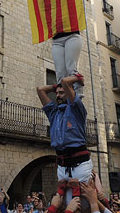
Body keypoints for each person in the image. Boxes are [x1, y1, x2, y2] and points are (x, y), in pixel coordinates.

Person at [37, 74, 91, 204]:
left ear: (70, 92)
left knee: (83, 201)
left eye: (62, 93)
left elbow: (65, 82)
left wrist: (78, 79)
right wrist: (56, 86)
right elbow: (40, 90)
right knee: (65, 203)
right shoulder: (53, 113)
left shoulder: (77, 109)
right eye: (57, 93)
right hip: (62, 166)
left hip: (79, 164)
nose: (58, 95)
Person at [51, 30, 84, 97]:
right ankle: (64, 99)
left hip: (72, 36)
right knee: (60, 73)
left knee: (71, 69)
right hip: (56, 41)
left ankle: (78, 98)